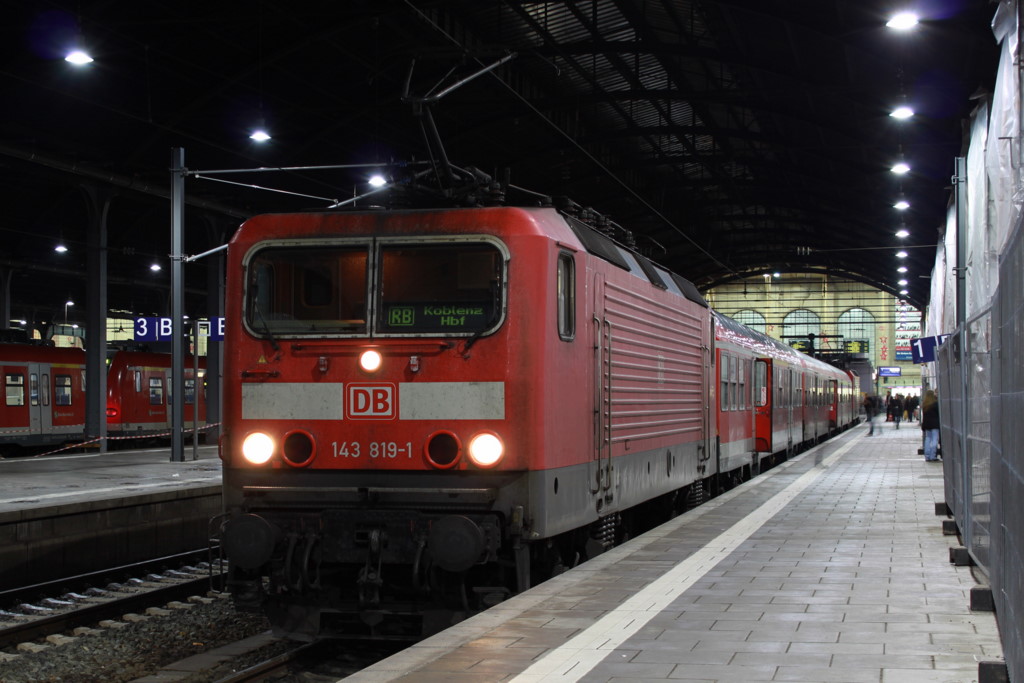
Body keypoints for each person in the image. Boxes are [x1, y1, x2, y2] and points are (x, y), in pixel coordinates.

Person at [921, 390, 940, 461]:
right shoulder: (935, 404)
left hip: (927, 424)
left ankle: (927, 455)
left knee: (928, 439)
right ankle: (933, 456)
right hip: (935, 424)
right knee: (935, 439)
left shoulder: (925, 404)